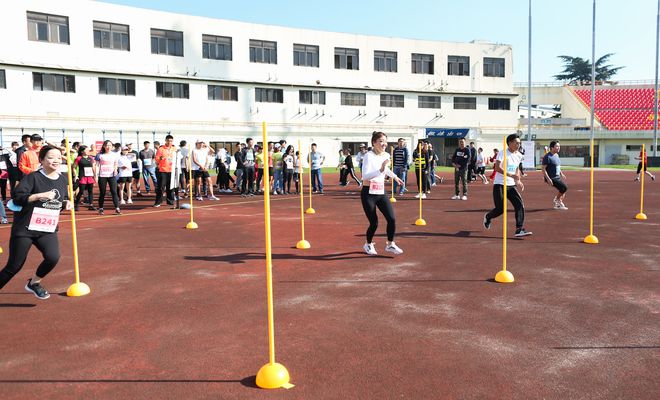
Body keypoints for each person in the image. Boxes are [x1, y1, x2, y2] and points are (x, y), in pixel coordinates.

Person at [0, 145, 72, 299]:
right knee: (14, 266)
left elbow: (58, 202)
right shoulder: (33, 177)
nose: (56, 160)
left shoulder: (62, 179)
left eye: (59, 158)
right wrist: (37, 195)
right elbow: (17, 198)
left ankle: (34, 283)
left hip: (46, 228)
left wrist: (66, 204)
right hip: (25, 229)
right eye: (51, 157)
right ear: (42, 160)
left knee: (53, 257)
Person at [360, 131, 405, 256]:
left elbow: (386, 169)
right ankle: (368, 244)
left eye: (385, 141)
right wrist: (380, 169)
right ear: (374, 143)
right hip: (368, 193)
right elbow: (365, 176)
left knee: (392, 219)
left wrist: (395, 176)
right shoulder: (368, 156)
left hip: (380, 192)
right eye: (381, 141)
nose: (384, 144)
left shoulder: (385, 155)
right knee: (374, 223)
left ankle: (390, 244)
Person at [483, 134, 532, 237]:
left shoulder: (519, 155)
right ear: (510, 143)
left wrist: (518, 180)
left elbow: (517, 168)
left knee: (519, 205)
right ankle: (488, 217)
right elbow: (497, 168)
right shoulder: (502, 153)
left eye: (519, 143)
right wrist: (511, 175)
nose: (518, 144)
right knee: (501, 208)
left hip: (511, 185)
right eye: (516, 142)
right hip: (499, 184)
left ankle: (519, 229)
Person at [96, 140, 121, 215]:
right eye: (106, 145)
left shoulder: (114, 155)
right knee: (102, 193)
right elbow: (97, 165)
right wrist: (96, 175)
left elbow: (116, 163)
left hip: (111, 175)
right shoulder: (99, 155)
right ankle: (101, 208)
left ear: (112, 146)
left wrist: (115, 170)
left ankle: (117, 208)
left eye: (110, 145)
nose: (108, 147)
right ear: (104, 146)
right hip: (102, 175)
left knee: (114, 191)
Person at [542, 141, 568, 210]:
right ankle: (557, 200)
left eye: (559, 146)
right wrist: (548, 179)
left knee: (563, 190)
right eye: (557, 146)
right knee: (564, 187)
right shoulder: (547, 156)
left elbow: (557, 166)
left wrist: (561, 173)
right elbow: (543, 169)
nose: (558, 147)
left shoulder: (556, 155)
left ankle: (558, 204)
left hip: (557, 176)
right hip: (551, 177)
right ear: (552, 148)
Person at [153, 134, 176, 207]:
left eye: (171, 141)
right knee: (161, 187)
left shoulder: (174, 149)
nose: (169, 142)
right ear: (165, 140)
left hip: (171, 170)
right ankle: (158, 202)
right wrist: (160, 158)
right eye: (168, 141)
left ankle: (170, 201)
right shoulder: (161, 149)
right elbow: (156, 159)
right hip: (163, 170)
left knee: (171, 187)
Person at [73, 145, 96, 211]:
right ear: (82, 151)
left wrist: (95, 176)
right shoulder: (79, 158)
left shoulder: (91, 158)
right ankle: (76, 204)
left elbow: (93, 167)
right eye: (86, 150)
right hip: (82, 177)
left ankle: (91, 205)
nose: (88, 151)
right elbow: (74, 167)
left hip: (90, 177)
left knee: (90, 191)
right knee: (81, 191)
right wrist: (76, 175)